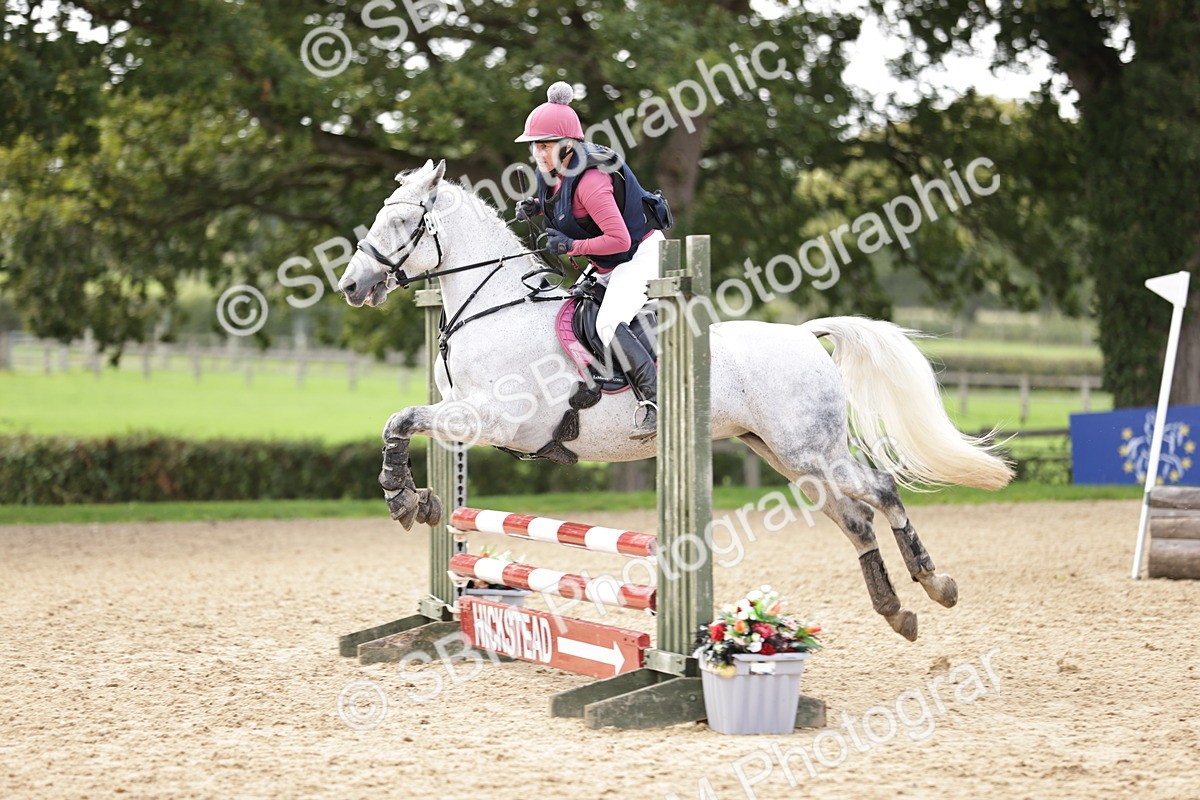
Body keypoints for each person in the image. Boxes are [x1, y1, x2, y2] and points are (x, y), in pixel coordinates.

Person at [514, 81, 667, 441]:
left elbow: (620, 239)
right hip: (611, 262)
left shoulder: (591, 181)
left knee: (608, 322)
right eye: (535, 145)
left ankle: (657, 403)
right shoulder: (553, 172)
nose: (538, 152)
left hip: (640, 255)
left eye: (545, 144)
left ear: (568, 145)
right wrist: (537, 207)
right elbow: (568, 209)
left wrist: (571, 245)